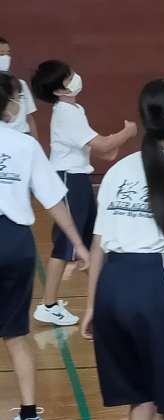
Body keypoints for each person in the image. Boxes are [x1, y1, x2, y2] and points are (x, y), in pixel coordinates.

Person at [81, 79, 164, 420]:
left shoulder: (116, 171)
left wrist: (92, 304)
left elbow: (98, 244)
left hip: (111, 288)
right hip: (154, 286)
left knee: (140, 395)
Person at [0, 71, 89, 420]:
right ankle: (28, 413)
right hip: (15, 244)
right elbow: (53, 201)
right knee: (16, 334)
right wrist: (78, 244)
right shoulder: (25, 145)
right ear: (9, 105)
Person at [30, 60, 137, 326]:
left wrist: (112, 143)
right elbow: (103, 146)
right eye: (69, 78)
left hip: (79, 179)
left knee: (91, 242)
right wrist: (127, 132)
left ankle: (103, 297)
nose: (76, 78)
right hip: (68, 180)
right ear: (58, 90)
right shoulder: (66, 113)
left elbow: (101, 148)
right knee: (65, 244)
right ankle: (48, 305)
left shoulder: (76, 110)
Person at [0, 37, 38, 138]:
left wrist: (36, 142)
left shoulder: (21, 84)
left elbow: (29, 117)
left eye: (8, 54)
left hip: (24, 136)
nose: (6, 57)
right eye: (1, 54)